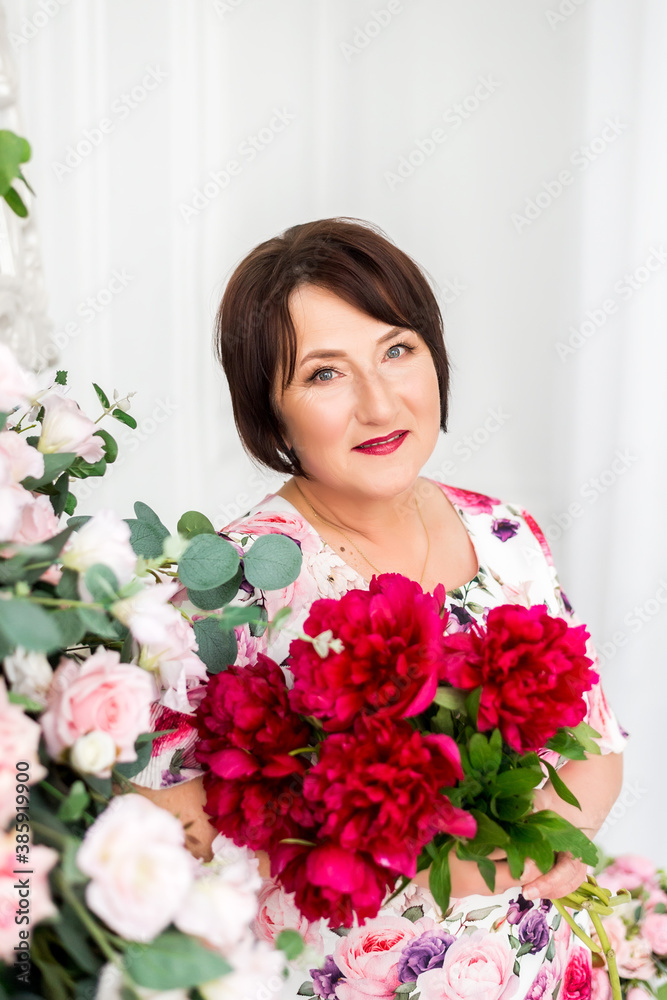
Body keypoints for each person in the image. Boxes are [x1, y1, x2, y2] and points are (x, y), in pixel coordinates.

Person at [131, 217, 628, 997]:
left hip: (535, 969)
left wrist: (551, 839)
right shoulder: (229, 583)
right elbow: (164, 835)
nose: (377, 402)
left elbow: (593, 740)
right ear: (270, 410)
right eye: (324, 374)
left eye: (397, 350)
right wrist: (406, 854)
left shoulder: (506, 534)